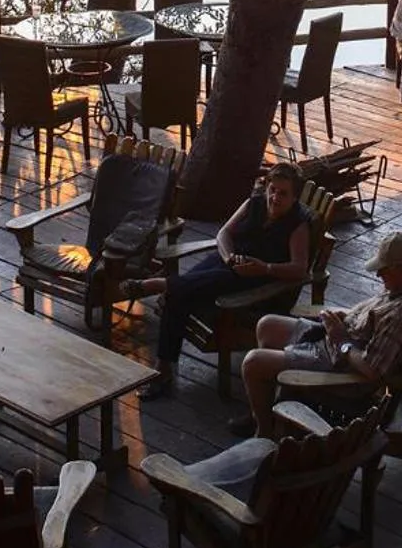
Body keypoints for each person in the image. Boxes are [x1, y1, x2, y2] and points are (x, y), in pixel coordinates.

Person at [132, 162, 313, 399]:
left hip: (259, 279)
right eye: (273, 189)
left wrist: (265, 268)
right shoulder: (253, 204)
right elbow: (223, 234)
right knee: (182, 292)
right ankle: (164, 363)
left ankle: (163, 363)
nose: (275, 197)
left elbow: (300, 269)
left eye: (283, 193)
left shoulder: (297, 223)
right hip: (228, 262)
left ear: (294, 197)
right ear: (267, 186)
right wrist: (228, 258)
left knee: (180, 291)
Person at [235, 230, 402, 437]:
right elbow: (375, 319)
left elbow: (373, 370)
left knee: (253, 363)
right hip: (338, 341)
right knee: (267, 325)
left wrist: (340, 339)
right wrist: (347, 315)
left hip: (342, 368)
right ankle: (264, 411)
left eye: (384, 270)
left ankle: (265, 431)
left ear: (401, 269)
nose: (379, 274)